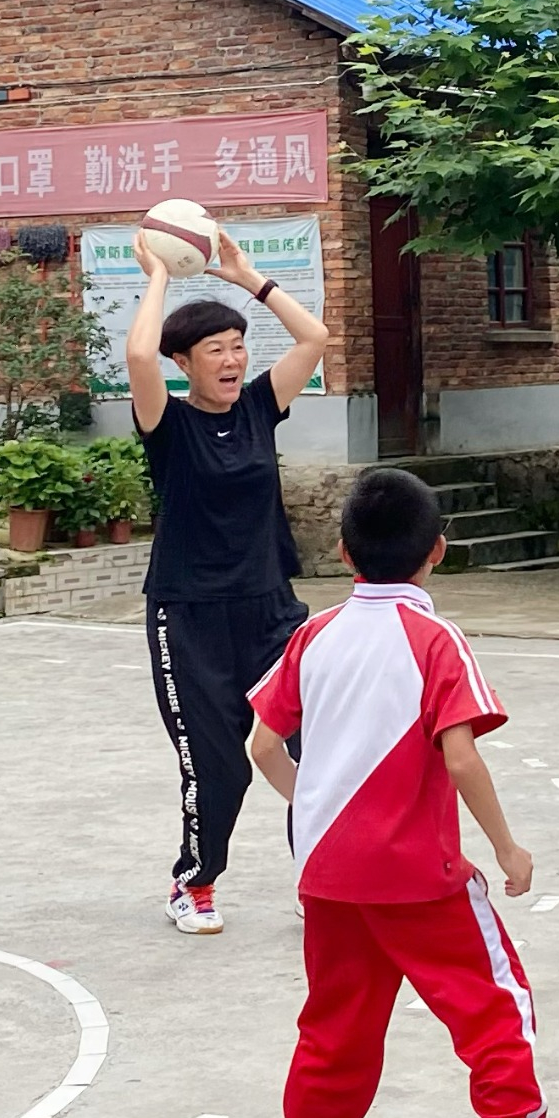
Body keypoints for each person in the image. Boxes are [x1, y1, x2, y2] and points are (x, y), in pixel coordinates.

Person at [243, 468, 559, 1118]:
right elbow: (461, 758)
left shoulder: (314, 634)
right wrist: (507, 847)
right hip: (418, 875)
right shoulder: (437, 640)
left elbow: (262, 744)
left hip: (329, 877)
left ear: (342, 550)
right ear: (439, 551)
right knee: (498, 1012)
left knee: (333, 1034)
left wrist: (318, 804)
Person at [126, 227, 333, 935]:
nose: (233, 359)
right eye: (216, 349)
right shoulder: (167, 423)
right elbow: (135, 354)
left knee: (317, 749)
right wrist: (159, 274)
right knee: (221, 768)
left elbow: (316, 340)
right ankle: (195, 883)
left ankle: (326, 873)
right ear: (183, 361)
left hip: (272, 608)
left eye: (238, 347)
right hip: (189, 616)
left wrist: (250, 278)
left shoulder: (257, 407)